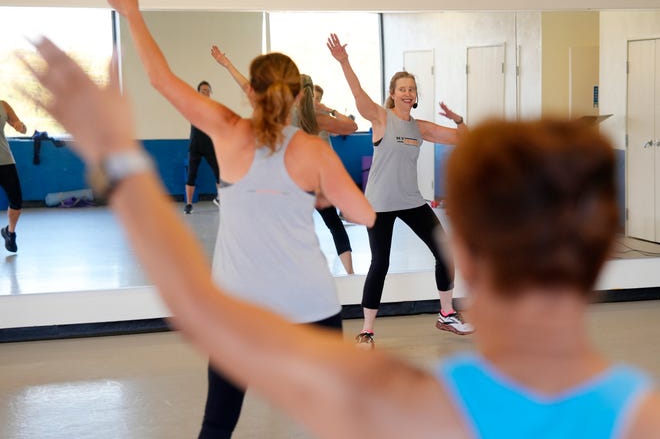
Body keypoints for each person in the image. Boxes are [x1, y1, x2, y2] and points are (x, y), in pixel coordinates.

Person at [27, 36, 660, 438]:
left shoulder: (420, 405)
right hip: (352, 224)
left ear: (464, 251)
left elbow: (195, 306)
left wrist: (117, 157)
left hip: (330, 249)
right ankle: (371, 311)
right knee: (371, 263)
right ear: (602, 247)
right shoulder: (644, 415)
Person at [95, 0, 375, 439]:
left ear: (250, 92)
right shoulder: (315, 150)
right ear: (299, 96)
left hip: (238, 309)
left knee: (219, 422)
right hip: (309, 303)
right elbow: (364, 215)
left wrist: (132, 14)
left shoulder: (226, 129)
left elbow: (161, 80)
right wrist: (318, 194)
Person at [327, 33, 472, 347]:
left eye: (412, 89)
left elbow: (463, 138)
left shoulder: (420, 128)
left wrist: (459, 120)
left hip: (411, 202)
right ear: (392, 95)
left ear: (415, 96)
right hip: (379, 204)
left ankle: (446, 314)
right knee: (380, 263)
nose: (408, 93)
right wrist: (344, 62)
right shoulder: (382, 119)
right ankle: (367, 329)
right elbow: (358, 94)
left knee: (444, 253)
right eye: (402, 89)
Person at [211, 46, 357, 274]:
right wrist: (329, 110)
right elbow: (352, 126)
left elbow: (248, 89)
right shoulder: (319, 119)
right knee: (334, 225)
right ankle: (349, 273)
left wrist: (227, 64)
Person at [184, 80, 220, 214]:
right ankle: (188, 204)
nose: (205, 92)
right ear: (198, 92)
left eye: (207, 90)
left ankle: (219, 198)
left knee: (219, 173)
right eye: (203, 90)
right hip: (195, 145)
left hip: (209, 145)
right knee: (191, 176)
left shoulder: (213, 107)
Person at [0, 100, 27, 253]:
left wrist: (20, 126)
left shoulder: (3, 105)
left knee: (16, 200)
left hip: (5, 161)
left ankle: (10, 233)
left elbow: (22, 128)